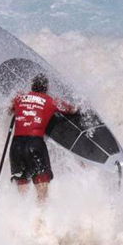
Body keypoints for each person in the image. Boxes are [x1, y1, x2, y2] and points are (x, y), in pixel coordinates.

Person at [8, 73, 78, 203]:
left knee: (22, 189)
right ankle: (40, 218)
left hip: (16, 146)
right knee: (42, 189)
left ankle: (22, 215)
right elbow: (71, 109)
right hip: (35, 144)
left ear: (32, 86)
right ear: (46, 88)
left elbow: (9, 110)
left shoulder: (19, 97)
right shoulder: (51, 101)